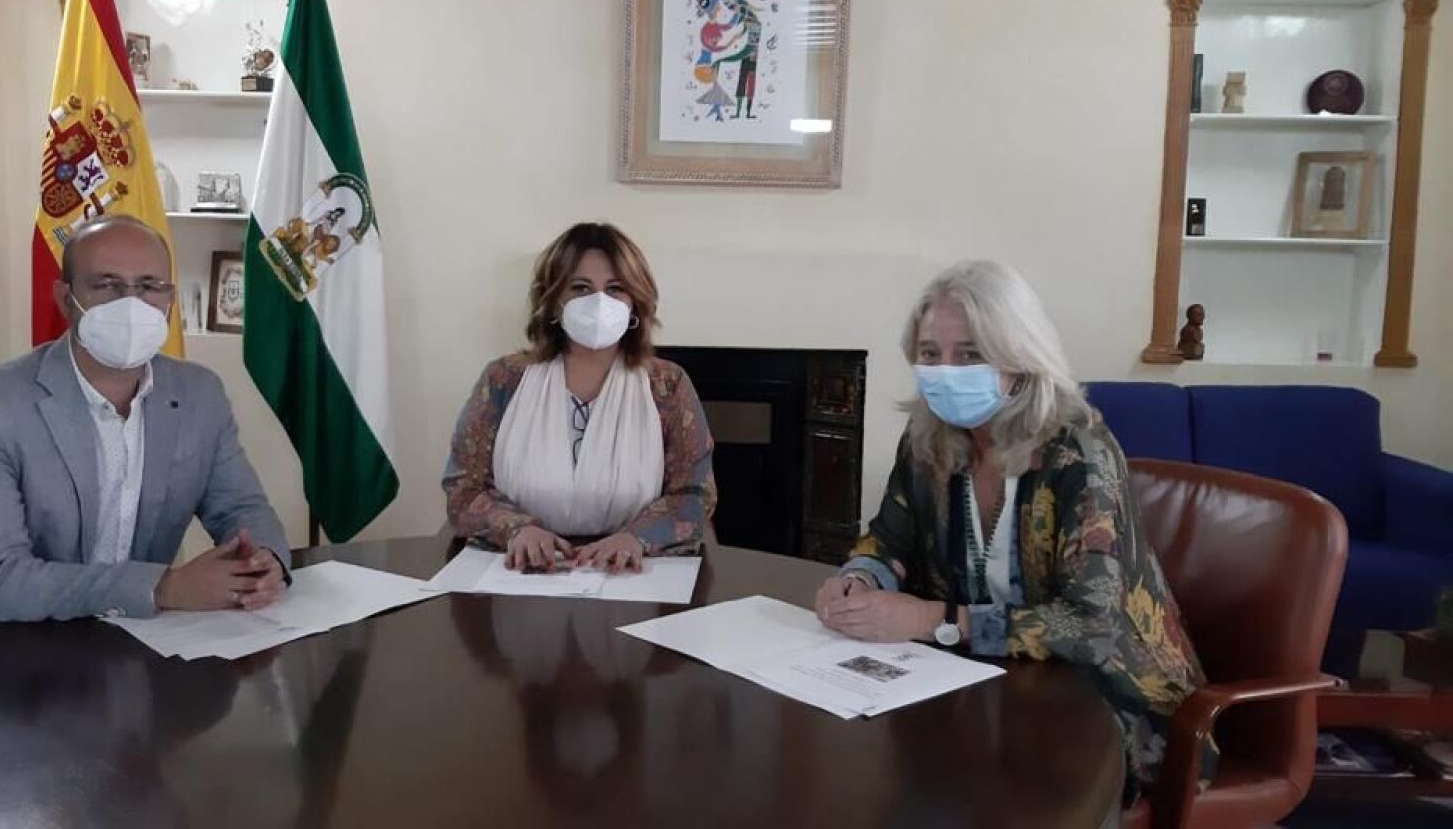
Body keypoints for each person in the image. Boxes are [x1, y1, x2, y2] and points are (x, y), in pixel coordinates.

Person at [813, 260, 1208, 800]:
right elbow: (889, 538)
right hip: (983, 684)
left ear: (1020, 359)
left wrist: (936, 620)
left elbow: (1092, 625)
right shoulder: (927, 438)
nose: (945, 372)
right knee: (885, 774)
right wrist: (858, 580)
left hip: (1107, 705)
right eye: (930, 354)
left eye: (969, 354)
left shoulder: (1079, 453)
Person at [0, 216, 290, 659]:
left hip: (117, 646)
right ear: (66, 299)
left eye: (149, 286)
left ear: (170, 300)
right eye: (107, 285)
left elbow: (241, 507)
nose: (131, 303)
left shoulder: (199, 394)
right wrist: (163, 587)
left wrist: (263, 563)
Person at [444, 222, 715, 573]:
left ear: (635, 302)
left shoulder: (667, 385)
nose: (599, 302)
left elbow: (694, 494)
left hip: (628, 569)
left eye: (615, 289)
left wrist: (635, 539)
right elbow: (463, 488)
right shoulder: (503, 380)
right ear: (553, 299)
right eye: (580, 288)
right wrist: (517, 529)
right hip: (523, 567)